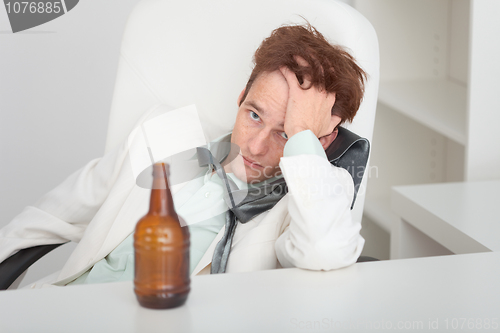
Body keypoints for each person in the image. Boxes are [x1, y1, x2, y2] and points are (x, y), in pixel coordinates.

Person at [0, 23, 367, 288]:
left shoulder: (309, 204)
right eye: (253, 115)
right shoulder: (163, 134)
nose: (256, 147)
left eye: (285, 133)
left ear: (320, 142)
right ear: (240, 98)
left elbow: (325, 252)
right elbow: (48, 216)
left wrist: (302, 137)